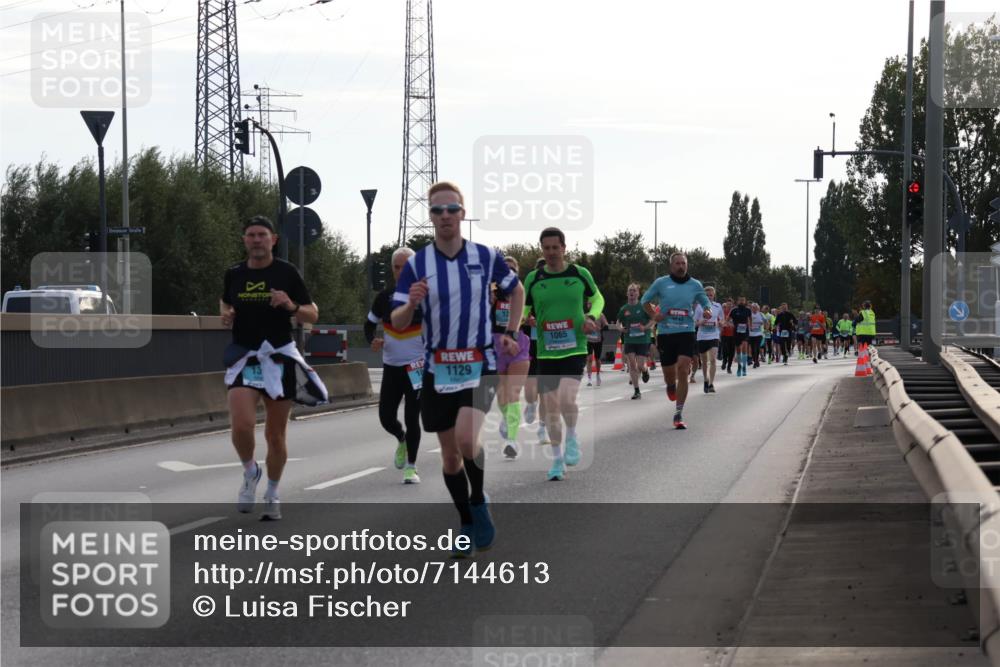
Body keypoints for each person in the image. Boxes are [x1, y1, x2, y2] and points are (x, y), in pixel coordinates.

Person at [391, 181, 524, 557]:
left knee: (467, 440)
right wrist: (411, 303)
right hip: (438, 368)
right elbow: (398, 321)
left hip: (479, 362)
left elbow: (516, 290)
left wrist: (511, 332)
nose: (445, 216)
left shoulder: (485, 255)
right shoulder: (417, 264)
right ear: (431, 216)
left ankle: (478, 499)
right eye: (438, 210)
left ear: (463, 213)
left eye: (452, 209)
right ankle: (466, 521)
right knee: (450, 457)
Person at [221, 215, 327, 521]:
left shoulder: (286, 272)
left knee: (275, 435)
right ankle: (250, 471)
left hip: (279, 356)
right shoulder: (234, 273)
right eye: (251, 235)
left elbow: (313, 314)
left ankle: (272, 492)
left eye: (262, 235)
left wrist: (290, 306)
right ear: (244, 240)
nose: (256, 240)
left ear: (273, 240)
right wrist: (227, 313)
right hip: (246, 356)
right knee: (241, 425)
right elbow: (225, 302)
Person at [523, 227, 604, 481]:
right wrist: (526, 318)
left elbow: (598, 298)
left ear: (564, 248)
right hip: (546, 351)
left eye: (555, 248)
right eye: (546, 248)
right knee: (550, 408)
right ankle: (557, 460)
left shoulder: (579, 273)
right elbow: (524, 306)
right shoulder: (534, 278)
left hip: (575, 346)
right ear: (542, 249)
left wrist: (591, 316)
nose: (551, 252)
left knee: (567, 399)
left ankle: (571, 437)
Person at [365, 247, 424, 484]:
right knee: (386, 418)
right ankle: (401, 439)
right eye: (397, 267)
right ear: (392, 269)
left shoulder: (425, 297)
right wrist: (373, 340)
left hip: (416, 367)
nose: (401, 271)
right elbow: (368, 325)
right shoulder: (384, 297)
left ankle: (411, 467)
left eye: (406, 267)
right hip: (391, 366)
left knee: (412, 417)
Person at [641, 252, 710, 429]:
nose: (681, 266)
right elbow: (645, 300)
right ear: (671, 266)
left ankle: (678, 413)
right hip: (666, 333)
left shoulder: (695, 284)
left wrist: (707, 310)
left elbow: (705, 301)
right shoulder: (661, 283)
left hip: (686, 331)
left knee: (683, 368)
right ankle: (671, 385)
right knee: (669, 374)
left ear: (687, 265)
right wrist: (654, 315)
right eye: (677, 263)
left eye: (683, 263)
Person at [493, 256, 531, 460]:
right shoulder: (491, 291)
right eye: (505, 269)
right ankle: (506, 418)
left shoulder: (521, 293)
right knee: (502, 396)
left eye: (512, 269)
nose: (508, 272)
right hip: (495, 345)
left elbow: (533, 312)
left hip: (518, 344)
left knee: (513, 393)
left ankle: (512, 440)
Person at [522, 258, 548, 444]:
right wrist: (527, 320)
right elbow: (518, 315)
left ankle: (542, 428)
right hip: (531, 344)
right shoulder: (527, 293)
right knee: (531, 389)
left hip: (550, 346)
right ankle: (531, 404)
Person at [615, 283, 653, 400]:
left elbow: (653, 319)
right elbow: (618, 323)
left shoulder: (643, 306)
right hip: (629, 340)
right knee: (632, 364)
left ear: (638, 293)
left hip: (642, 339)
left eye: (634, 290)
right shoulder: (624, 309)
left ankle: (645, 371)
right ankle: (637, 391)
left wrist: (645, 327)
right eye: (630, 290)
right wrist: (621, 328)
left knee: (640, 365)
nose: (632, 292)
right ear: (627, 293)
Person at [692, 285, 723, 393]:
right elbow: (694, 322)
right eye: (707, 295)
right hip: (702, 336)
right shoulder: (699, 307)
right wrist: (701, 322)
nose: (709, 297)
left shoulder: (718, 306)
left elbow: (722, 320)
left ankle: (711, 384)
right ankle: (706, 380)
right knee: (704, 361)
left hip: (714, 335)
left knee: (713, 359)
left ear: (714, 295)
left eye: (711, 295)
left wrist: (720, 323)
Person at [728, 296, 752, 376]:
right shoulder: (734, 310)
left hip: (745, 331)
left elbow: (750, 318)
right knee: (738, 350)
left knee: (744, 348)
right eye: (740, 300)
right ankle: (739, 367)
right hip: (736, 332)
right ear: (737, 301)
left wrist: (750, 326)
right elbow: (728, 319)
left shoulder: (748, 310)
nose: (741, 301)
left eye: (743, 300)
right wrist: (730, 324)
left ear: (745, 301)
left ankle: (744, 367)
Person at [585, 309, 610, 387]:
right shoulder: (586, 315)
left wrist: (601, 328)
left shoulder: (600, 315)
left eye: (591, 304)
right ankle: (589, 378)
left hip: (598, 340)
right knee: (589, 358)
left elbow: (606, 325)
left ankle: (598, 375)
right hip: (588, 340)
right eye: (588, 304)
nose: (589, 305)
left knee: (597, 359)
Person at [720, 298, 736, 373]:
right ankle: (724, 361)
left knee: (731, 351)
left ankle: (729, 367)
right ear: (726, 304)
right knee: (725, 349)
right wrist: (723, 324)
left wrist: (733, 325)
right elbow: (720, 321)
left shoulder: (735, 313)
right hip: (724, 334)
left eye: (730, 304)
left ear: (732, 305)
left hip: (733, 335)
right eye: (728, 304)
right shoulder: (723, 312)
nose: (729, 305)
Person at [749, 302, 765, 369]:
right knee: (753, 349)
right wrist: (749, 326)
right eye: (753, 308)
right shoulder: (749, 314)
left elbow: (766, 321)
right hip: (751, 334)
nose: (754, 309)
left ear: (758, 308)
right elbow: (746, 322)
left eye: (756, 308)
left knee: (757, 347)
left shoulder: (760, 314)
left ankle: (756, 361)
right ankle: (755, 360)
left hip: (759, 334)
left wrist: (766, 327)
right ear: (751, 308)